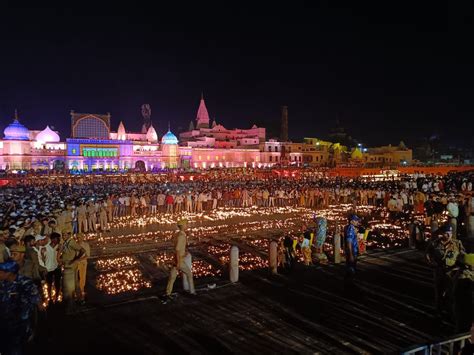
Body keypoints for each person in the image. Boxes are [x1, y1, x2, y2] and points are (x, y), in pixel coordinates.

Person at [0, 261, 42, 355]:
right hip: (4, 322)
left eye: (1, 271)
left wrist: (36, 325)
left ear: (9, 272)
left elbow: (37, 302)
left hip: (20, 323)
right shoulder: (3, 283)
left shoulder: (25, 283)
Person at [165, 219, 195, 300]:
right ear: (183, 226)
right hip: (179, 259)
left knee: (172, 277)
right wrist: (178, 262)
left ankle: (168, 293)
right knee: (189, 274)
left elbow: (174, 244)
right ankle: (192, 291)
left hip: (175, 258)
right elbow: (178, 250)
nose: (187, 225)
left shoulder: (178, 234)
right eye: (186, 224)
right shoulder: (181, 236)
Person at [59, 230, 85, 314]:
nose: (63, 236)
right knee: (76, 283)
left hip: (71, 266)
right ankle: (80, 299)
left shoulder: (71, 242)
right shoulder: (65, 243)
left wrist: (75, 259)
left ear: (69, 235)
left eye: (65, 235)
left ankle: (71, 306)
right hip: (68, 265)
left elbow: (82, 250)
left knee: (70, 287)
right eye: (63, 235)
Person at [344, 214, 360, 286]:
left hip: (354, 251)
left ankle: (350, 282)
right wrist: (351, 254)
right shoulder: (350, 229)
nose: (357, 222)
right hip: (352, 251)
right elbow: (349, 242)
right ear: (351, 221)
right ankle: (349, 283)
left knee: (352, 267)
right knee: (351, 267)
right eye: (356, 220)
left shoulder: (352, 228)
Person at [76, 233, 90, 304]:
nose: (78, 239)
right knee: (75, 277)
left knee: (82, 277)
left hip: (83, 263)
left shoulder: (86, 245)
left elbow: (87, 255)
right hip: (76, 263)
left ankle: (81, 290)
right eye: (77, 237)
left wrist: (80, 259)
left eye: (80, 237)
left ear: (82, 238)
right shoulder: (75, 244)